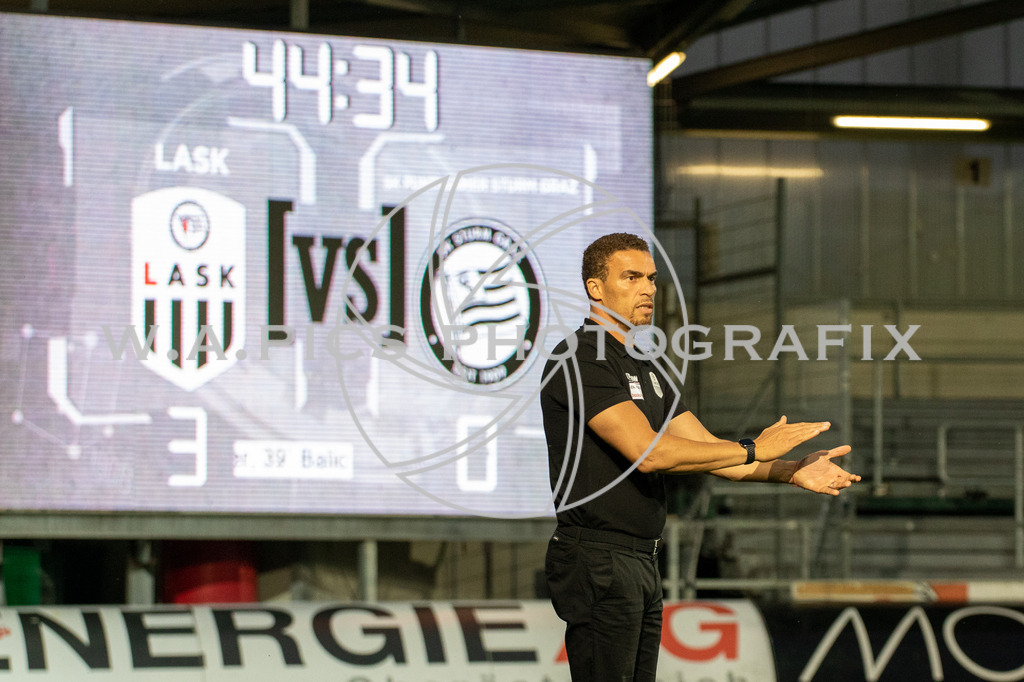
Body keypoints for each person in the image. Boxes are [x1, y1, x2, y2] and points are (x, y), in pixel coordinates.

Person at [539, 232, 860, 681]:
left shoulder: (644, 363)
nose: (648, 288)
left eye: (651, 278)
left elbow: (708, 450)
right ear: (596, 288)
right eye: (631, 277)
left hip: (640, 560)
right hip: (598, 557)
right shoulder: (580, 357)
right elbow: (648, 453)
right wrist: (752, 447)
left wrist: (791, 471)